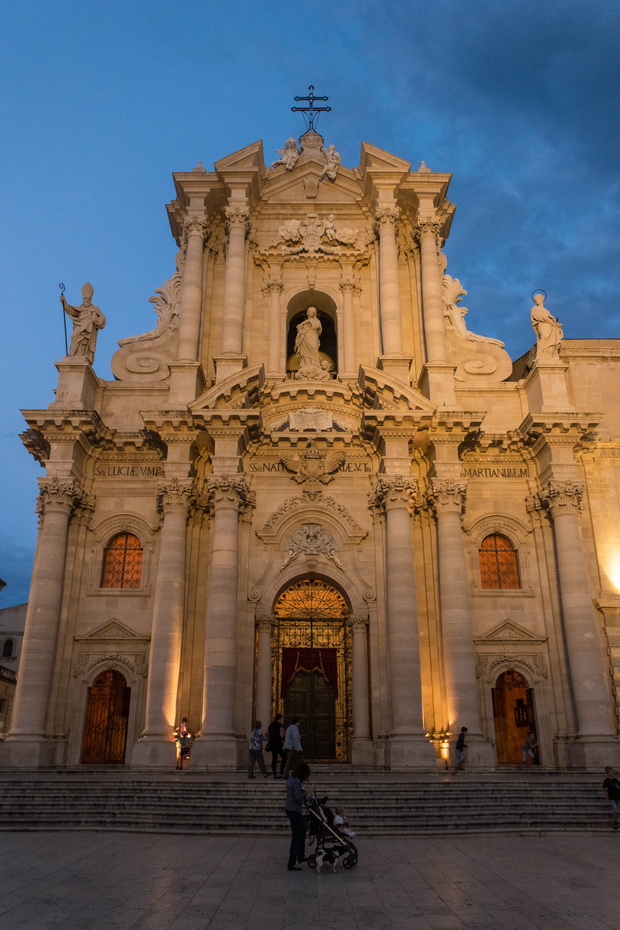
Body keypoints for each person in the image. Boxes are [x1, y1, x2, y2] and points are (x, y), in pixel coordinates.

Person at [60, 282, 106, 364]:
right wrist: (64, 302)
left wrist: (97, 321)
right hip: (79, 326)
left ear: (91, 299)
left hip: (89, 328)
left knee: (84, 341)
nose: (87, 300)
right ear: (83, 299)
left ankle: (80, 356)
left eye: (89, 299)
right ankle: (72, 355)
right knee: (74, 337)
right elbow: (71, 310)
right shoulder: (80, 308)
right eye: (86, 298)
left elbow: (102, 318)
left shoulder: (95, 309)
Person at [284, 762, 313, 871]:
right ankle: (292, 862)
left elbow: (300, 794)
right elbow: (299, 796)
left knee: (303, 829)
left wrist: (310, 798)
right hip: (294, 810)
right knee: (296, 835)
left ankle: (300, 855)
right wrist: (308, 792)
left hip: (291, 809)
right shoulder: (296, 781)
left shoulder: (293, 779)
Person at [530, 292, 563, 361]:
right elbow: (540, 317)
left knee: (551, 340)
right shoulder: (534, 309)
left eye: (538, 298)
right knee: (544, 337)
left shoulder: (545, 310)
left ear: (542, 299)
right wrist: (551, 320)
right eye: (536, 299)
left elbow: (547, 317)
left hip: (550, 326)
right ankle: (539, 355)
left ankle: (550, 354)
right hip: (542, 325)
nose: (537, 300)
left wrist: (554, 323)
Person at [267, 713, 286, 778]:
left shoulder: (271, 725)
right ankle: (281, 773)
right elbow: (282, 735)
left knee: (274, 759)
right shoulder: (280, 725)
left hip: (272, 744)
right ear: (280, 719)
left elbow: (267, 733)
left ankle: (275, 774)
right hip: (278, 744)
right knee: (284, 758)